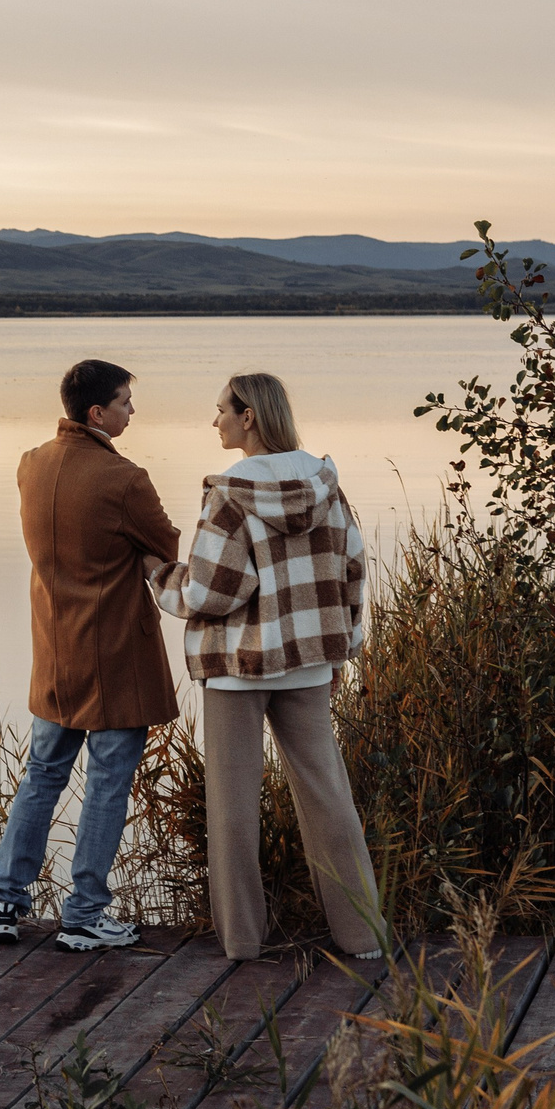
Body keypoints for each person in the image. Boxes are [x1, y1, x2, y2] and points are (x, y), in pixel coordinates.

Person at [148, 372, 384, 962]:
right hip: (306, 663)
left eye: (222, 409)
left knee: (232, 807)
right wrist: (343, 648)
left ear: (249, 416)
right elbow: (353, 569)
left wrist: (160, 576)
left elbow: (212, 592)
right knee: (329, 798)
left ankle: (243, 943)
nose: (216, 420)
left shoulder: (229, 493)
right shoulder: (325, 483)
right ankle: (363, 936)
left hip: (237, 667)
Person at [0, 358, 183, 952]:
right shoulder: (125, 479)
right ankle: (85, 914)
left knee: (41, 776)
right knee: (108, 784)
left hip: (56, 652)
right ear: (97, 413)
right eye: (124, 402)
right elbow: (165, 544)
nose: (131, 411)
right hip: (115, 654)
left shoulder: (31, 465)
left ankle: (3, 906)